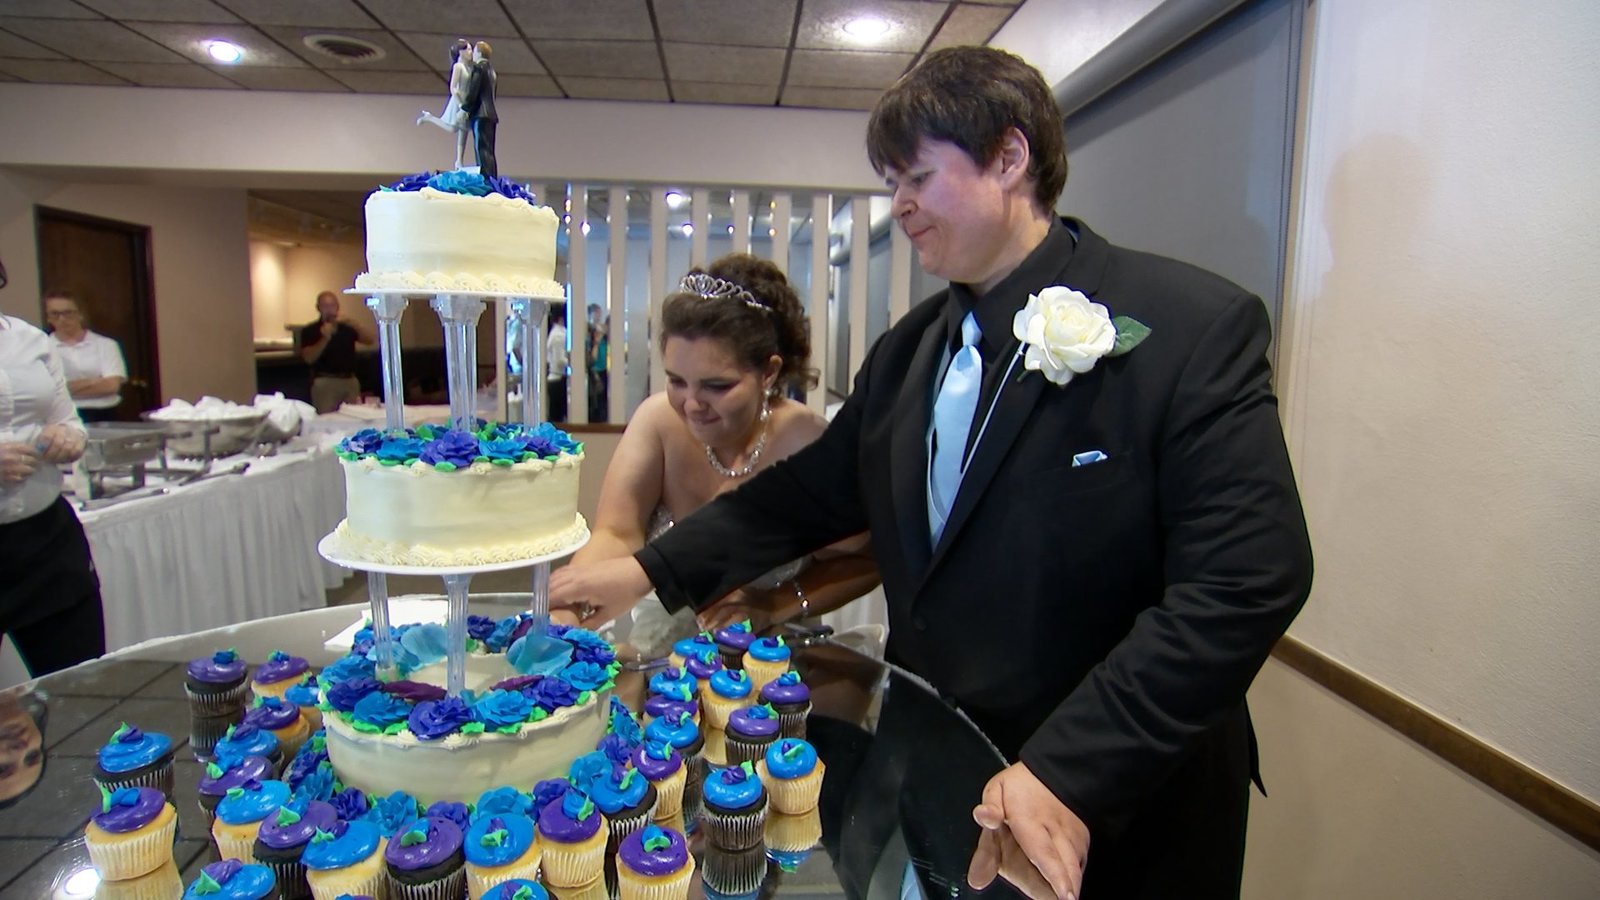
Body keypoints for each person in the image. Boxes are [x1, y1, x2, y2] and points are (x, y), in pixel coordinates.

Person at [550, 47, 1313, 899]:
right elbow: (803, 498)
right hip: (938, 774)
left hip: (1114, 807)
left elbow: (1249, 577)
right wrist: (649, 571)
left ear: (1010, 157)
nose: (900, 206)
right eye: (892, 183)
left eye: (917, 176)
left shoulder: (1188, 328)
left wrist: (1067, 768)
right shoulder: (908, 351)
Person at [562, 253, 878, 659]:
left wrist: (773, 604)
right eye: (677, 381)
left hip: (777, 656)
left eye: (717, 386)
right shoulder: (657, 421)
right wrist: (573, 602)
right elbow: (617, 534)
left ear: (768, 373)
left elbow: (866, 560)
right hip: (662, 654)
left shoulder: (805, 441)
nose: (692, 404)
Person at [1, 314, 106, 676]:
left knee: (82, 686)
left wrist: (70, 438)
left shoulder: (30, 340)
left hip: (47, 542)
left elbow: (69, 420)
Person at [43, 292, 127, 423]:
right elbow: (46, 392)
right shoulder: (42, 348)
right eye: (55, 314)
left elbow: (111, 386)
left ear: (80, 314)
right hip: (61, 416)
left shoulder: (106, 345)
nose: (62, 319)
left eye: (68, 313)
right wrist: (94, 381)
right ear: (48, 318)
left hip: (104, 414)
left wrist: (64, 387)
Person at [297, 291, 375, 414]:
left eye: (332, 305)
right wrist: (325, 338)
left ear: (338, 307)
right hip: (325, 383)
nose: (329, 309)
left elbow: (370, 340)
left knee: (354, 417)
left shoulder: (347, 327)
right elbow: (309, 358)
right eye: (325, 306)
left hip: (350, 381)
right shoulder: (310, 330)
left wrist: (352, 322)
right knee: (327, 419)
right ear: (318, 308)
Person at [416, 38, 473, 170]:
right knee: (453, 128)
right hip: (458, 101)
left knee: (464, 130)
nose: (471, 52)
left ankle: (459, 161)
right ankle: (429, 118)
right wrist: (460, 104)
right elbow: (453, 87)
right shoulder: (458, 67)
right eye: (469, 49)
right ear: (461, 52)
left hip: (466, 100)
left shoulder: (469, 67)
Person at [459, 41, 498, 178]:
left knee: (481, 149)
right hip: (491, 114)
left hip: (481, 114)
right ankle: (492, 178)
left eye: (474, 51)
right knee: (489, 150)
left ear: (479, 53)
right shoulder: (492, 71)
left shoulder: (479, 68)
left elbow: (474, 90)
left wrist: (465, 108)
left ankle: (485, 179)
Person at [546, 305, 569, 422]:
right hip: (557, 379)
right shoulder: (558, 336)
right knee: (557, 417)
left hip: (557, 378)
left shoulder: (556, 333)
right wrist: (573, 363)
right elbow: (559, 360)